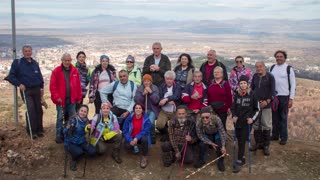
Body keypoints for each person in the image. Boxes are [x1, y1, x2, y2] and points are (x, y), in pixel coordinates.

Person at [7, 45, 44, 139]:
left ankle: (39, 130)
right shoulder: (18, 63)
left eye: (29, 51)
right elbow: (11, 76)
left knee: (39, 110)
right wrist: (19, 84)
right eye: (26, 51)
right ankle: (32, 131)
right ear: (23, 52)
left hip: (36, 89)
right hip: (26, 90)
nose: (28, 53)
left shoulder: (35, 63)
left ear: (31, 52)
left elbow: (39, 76)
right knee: (31, 110)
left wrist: (41, 88)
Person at [50, 53, 82, 144]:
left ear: (71, 60)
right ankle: (59, 135)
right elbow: (53, 86)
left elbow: (78, 86)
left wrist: (79, 97)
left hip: (72, 99)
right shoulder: (56, 71)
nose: (67, 62)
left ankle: (70, 134)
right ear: (62, 60)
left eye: (69, 60)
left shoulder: (75, 71)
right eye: (65, 60)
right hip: (61, 100)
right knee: (60, 117)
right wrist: (57, 97)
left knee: (72, 117)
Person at [231, 75, 260, 173]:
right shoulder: (237, 94)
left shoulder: (253, 94)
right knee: (239, 139)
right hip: (238, 121)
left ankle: (239, 161)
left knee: (242, 140)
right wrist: (233, 115)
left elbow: (257, 109)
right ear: (239, 84)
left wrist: (252, 119)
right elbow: (233, 107)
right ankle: (242, 156)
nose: (243, 85)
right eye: (241, 83)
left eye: (244, 83)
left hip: (247, 122)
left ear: (248, 84)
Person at [270, 50, 296, 145]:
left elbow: (293, 84)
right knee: (274, 117)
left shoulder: (288, 68)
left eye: (281, 56)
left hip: (284, 97)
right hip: (274, 97)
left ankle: (283, 137)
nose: (279, 58)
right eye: (277, 56)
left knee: (283, 118)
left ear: (284, 58)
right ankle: (275, 135)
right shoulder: (272, 68)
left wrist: (291, 98)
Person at [250, 61, 275, 155]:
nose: (258, 68)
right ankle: (258, 143)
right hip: (256, 105)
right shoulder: (255, 76)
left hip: (266, 104)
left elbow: (273, 92)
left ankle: (266, 145)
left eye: (260, 66)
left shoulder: (270, 77)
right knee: (256, 124)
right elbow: (252, 89)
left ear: (264, 67)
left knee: (266, 124)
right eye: (257, 67)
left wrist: (267, 101)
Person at [63, 104, 96, 171]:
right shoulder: (73, 120)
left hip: (81, 141)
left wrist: (90, 129)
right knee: (79, 152)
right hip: (71, 142)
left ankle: (79, 151)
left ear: (87, 113)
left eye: (85, 112)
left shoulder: (87, 121)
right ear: (78, 111)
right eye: (81, 111)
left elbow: (88, 131)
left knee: (93, 151)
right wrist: (68, 128)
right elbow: (64, 132)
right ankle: (73, 160)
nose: (83, 113)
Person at [194, 107, 227, 172]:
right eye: (203, 117)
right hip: (206, 134)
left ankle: (220, 161)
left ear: (211, 115)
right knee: (202, 145)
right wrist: (211, 143)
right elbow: (200, 135)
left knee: (219, 145)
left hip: (216, 133)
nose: (205, 119)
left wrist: (223, 145)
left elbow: (222, 132)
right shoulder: (198, 122)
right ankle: (201, 160)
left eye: (207, 117)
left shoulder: (217, 119)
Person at [123, 103, 151, 168]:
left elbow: (146, 131)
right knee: (126, 146)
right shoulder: (129, 118)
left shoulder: (146, 119)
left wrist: (137, 137)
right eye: (136, 108)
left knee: (145, 139)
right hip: (131, 136)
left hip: (140, 137)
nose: (138, 109)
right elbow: (125, 130)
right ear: (134, 110)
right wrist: (130, 140)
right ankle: (134, 146)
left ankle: (144, 156)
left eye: (140, 108)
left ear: (142, 110)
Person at [134, 74, 160, 144]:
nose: (146, 82)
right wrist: (143, 94)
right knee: (141, 123)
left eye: (148, 81)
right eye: (145, 81)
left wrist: (151, 93)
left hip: (152, 110)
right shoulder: (140, 88)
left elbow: (156, 101)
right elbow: (137, 100)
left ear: (151, 82)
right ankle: (142, 137)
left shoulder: (155, 88)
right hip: (142, 110)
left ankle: (152, 137)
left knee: (151, 123)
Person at [157, 71, 181, 141]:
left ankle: (170, 136)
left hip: (174, 111)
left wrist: (166, 99)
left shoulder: (177, 86)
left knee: (177, 126)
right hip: (164, 110)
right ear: (165, 79)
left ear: (173, 80)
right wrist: (163, 101)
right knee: (159, 125)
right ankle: (167, 134)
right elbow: (159, 97)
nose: (169, 81)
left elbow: (177, 96)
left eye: (171, 79)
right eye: (167, 79)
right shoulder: (162, 86)